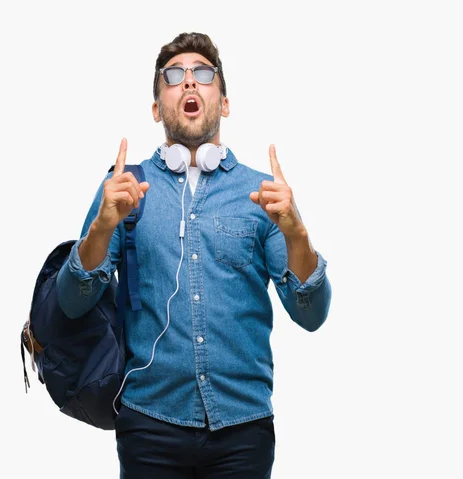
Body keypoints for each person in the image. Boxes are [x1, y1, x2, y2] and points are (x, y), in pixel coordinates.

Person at [56, 32, 332, 479]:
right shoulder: (124, 187)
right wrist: (103, 227)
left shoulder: (263, 195)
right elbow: (72, 303)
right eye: (174, 76)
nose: (188, 83)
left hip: (243, 428)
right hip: (149, 423)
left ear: (223, 102)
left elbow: (312, 314)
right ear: (156, 107)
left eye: (203, 74)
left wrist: (298, 234)